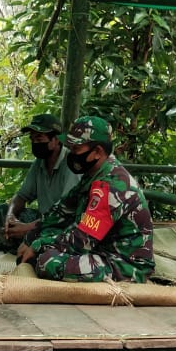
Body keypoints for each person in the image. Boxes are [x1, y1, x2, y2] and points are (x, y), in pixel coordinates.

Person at [17, 116, 154, 283]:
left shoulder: (112, 185)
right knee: (48, 234)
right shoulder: (93, 174)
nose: (71, 154)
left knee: (48, 262)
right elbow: (61, 211)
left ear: (97, 152)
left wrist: (39, 245)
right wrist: (32, 237)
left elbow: (82, 239)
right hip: (99, 248)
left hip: (122, 263)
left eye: (76, 149)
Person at [0, 113, 81, 245]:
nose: (35, 143)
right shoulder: (39, 163)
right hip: (41, 220)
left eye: (39, 138)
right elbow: (21, 196)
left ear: (56, 139)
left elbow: (65, 214)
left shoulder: (71, 164)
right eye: (32, 139)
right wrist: (10, 216)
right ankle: (22, 239)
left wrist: (27, 228)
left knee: (49, 231)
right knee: (2, 210)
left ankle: (27, 242)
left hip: (61, 222)